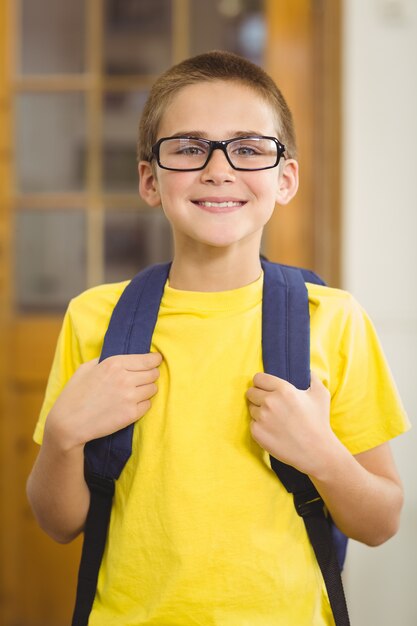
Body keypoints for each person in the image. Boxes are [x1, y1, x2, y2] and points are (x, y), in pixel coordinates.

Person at [27, 50, 409, 625]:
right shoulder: (96, 319)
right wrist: (62, 436)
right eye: (188, 147)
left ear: (285, 180)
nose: (219, 168)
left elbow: (381, 522)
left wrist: (322, 455)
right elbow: (59, 524)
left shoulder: (333, 319)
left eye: (249, 148)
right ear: (149, 180)